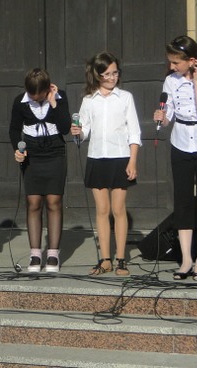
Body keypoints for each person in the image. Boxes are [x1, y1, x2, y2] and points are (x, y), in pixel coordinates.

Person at [153, 36, 197, 281]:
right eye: (170, 62)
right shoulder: (170, 81)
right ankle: (186, 259)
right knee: (182, 200)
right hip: (180, 143)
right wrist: (162, 117)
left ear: (192, 60)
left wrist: (196, 81)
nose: (172, 66)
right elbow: (169, 115)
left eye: (176, 62)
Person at [70, 52, 141, 276]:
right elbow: (84, 131)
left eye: (115, 73)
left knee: (118, 209)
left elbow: (134, 132)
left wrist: (132, 160)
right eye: (107, 74)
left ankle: (121, 259)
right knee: (102, 210)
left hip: (120, 157)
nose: (112, 78)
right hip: (97, 157)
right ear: (97, 75)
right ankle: (105, 259)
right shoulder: (89, 100)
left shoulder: (125, 97)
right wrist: (78, 132)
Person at [9, 68, 71, 273]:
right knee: (33, 202)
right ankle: (35, 254)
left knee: (53, 201)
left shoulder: (60, 97)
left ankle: (53, 254)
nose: (35, 98)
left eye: (40, 95)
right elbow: (14, 129)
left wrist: (54, 103)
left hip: (55, 152)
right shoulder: (20, 102)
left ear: (47, 89)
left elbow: (65, 128)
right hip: (32, 153)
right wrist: (18, 149)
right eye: (32, 95)